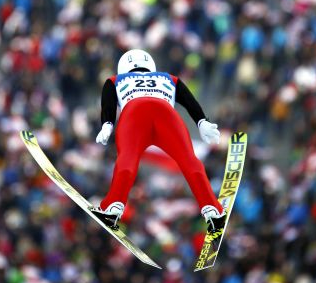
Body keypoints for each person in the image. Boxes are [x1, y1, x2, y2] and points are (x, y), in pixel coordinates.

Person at [91, 49, 226, 233]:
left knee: (127, 159)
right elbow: (188, 100)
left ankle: (113, 207)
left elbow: (108, 102)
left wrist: (107, 124)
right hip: (166, 115)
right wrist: (202, 121)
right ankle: (213, 210)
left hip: (135, 114)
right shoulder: (169, 78)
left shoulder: (115, 80)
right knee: (189, 160)